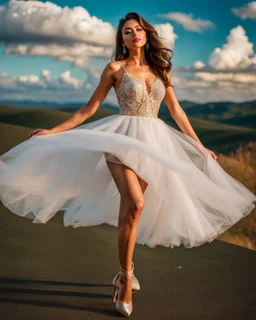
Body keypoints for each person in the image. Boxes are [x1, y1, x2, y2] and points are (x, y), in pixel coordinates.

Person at [0, 12, 256, 318]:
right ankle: (123, 279)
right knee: (135, 203)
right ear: (121, 40)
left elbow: (175, 111)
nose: (133, 34)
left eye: (138, 29)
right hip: (121, 140)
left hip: (154, 145)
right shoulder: (115, 68)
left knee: (131, 211)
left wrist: (200, 146)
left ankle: (127, 269)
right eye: (126, 31)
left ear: (146, 35)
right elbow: (89, 108)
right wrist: (53, 132)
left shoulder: (161, 69)